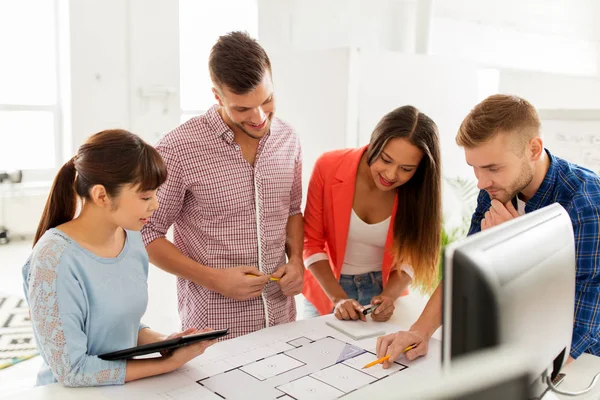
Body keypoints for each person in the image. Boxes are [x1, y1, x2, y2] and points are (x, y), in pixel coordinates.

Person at [376, 94, 600, 368]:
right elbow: (464, 269)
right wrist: (419, 331)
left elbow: (581, 320)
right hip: (520, 343)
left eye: (493, 167)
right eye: (475, 168)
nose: (481, 182)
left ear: (533, 149)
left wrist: (518, 248)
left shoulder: (587, 203)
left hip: (583, 363)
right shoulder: (497, 187)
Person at [141, 32, 303, 339]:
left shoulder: (289, 139)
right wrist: (213, 279)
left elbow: (293, 211)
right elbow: (146, 232)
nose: (259, 117)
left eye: (267, 100)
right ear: (218, 96)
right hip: (215, 328)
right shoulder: (178, 148)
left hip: (282, 321)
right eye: (242, 109)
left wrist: (297, 261)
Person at [23, 130, 216, 387]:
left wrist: (167, 343)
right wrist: (167, 363)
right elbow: (72, 371)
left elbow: (122, 327)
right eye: (146, 196)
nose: (156, 205)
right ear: (101, 195)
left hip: (123, 389)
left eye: (156, 193)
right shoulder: (54, 259)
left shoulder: (132, 238)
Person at [303, 105, 442, 322]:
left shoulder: (418, 191)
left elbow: (410, 257)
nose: (390, 174)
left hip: (383, 288)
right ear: (375, 142)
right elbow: (311, 242)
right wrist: (338, 299)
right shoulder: (328, 166)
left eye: (406, 169)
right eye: (386, 160)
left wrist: (389, 297)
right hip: (326, 289)